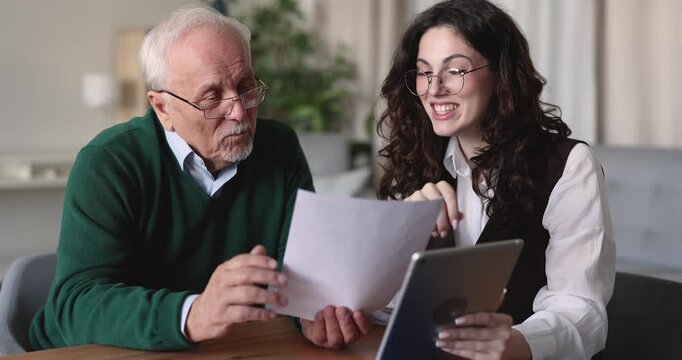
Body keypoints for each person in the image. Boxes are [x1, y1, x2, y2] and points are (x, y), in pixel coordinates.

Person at [29, 5, 370, 351]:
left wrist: (310, 314)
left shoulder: (279, 147)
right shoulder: (109, 163)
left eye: (245, 86)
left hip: (234, 348)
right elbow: (76, 305)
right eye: (211, 97)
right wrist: (194, 313)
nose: (238, 110)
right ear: (163, 108)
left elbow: (299, 271)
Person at [376, 0, 615, 359]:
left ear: (502, 73)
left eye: (455, 70)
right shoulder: (414, 164)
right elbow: (382, 307)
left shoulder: (567, 165)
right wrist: (402, 238)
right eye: (424, 72)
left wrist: (519, 343)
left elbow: (582, 310)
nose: (434, 88)